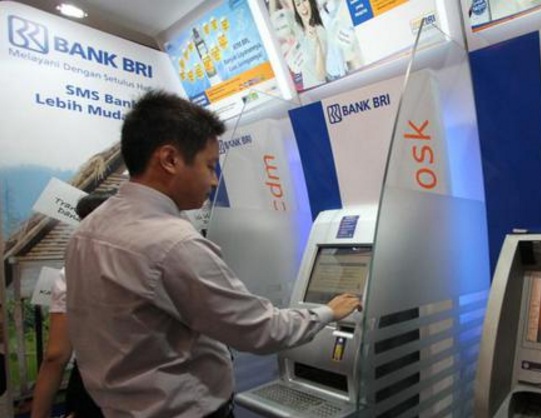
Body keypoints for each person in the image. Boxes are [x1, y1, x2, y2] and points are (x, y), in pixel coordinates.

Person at [65, 90, 361, 418]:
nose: (214, 180)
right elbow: (260, 330)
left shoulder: (87, 230)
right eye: (209, 165)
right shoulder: (173, 244)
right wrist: (328, 312)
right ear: (170, 160)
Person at [32, 192, 113, 418]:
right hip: (154, 388)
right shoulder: (151, 262)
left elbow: (56, 355)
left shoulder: (71, 273)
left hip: (92, 386)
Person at [292, 0, 327, 88]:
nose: (302, 7)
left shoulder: (320, 31)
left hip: (320, 89)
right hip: (307, 90)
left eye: (304, 1)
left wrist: (317, 43)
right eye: (298, 4)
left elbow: (321, 75)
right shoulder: (298, 32)